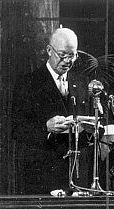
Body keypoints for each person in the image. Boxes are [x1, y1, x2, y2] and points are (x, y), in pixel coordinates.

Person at [11, 27, 94, 195]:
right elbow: (17, 130)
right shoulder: (28, 83)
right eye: (62, 55)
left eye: (72, 55)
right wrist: (46, 127)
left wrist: (89, 128)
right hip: (43, 175)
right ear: (49, 50)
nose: (67, 61)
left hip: (77, 176)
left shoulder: (83, 83)